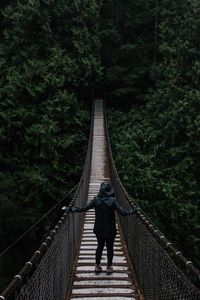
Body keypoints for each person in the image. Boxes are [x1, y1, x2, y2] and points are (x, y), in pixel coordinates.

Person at [63, 181, 137, 274]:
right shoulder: (113, 201)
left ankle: (97, 266)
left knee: (100, 246)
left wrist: (70, 209)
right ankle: (109, 267)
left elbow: (83, 208)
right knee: (110, 248)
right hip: (110, 229)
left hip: (99, 229)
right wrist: (133, 211)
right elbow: (123, 212)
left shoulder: (96, 200)